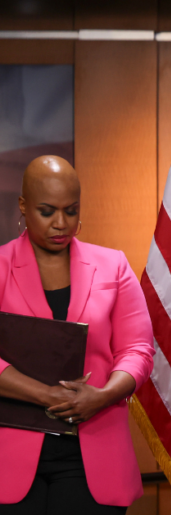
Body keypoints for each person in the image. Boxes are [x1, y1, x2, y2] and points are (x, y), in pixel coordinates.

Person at [0, 156, 155, 514]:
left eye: (71, 211)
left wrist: (101, 396)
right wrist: (49, 396)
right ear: (23, 206)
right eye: (47, 211)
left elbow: (138, 350)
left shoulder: (113, 266)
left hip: (94, 455)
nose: (61, 223)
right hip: (11, 456)